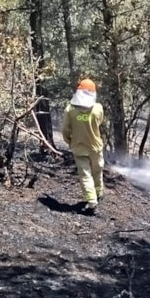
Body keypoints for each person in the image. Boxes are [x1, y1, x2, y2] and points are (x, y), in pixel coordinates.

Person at [62, 78, 105, 211]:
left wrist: (70, 141)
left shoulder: (70, 109)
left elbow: (65, 130)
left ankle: (91, 200)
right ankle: (98, 192)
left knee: (85, 175)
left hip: (79, 148)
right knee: (97, 171)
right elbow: (99, 122)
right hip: (95, 147)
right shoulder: (98, 108)